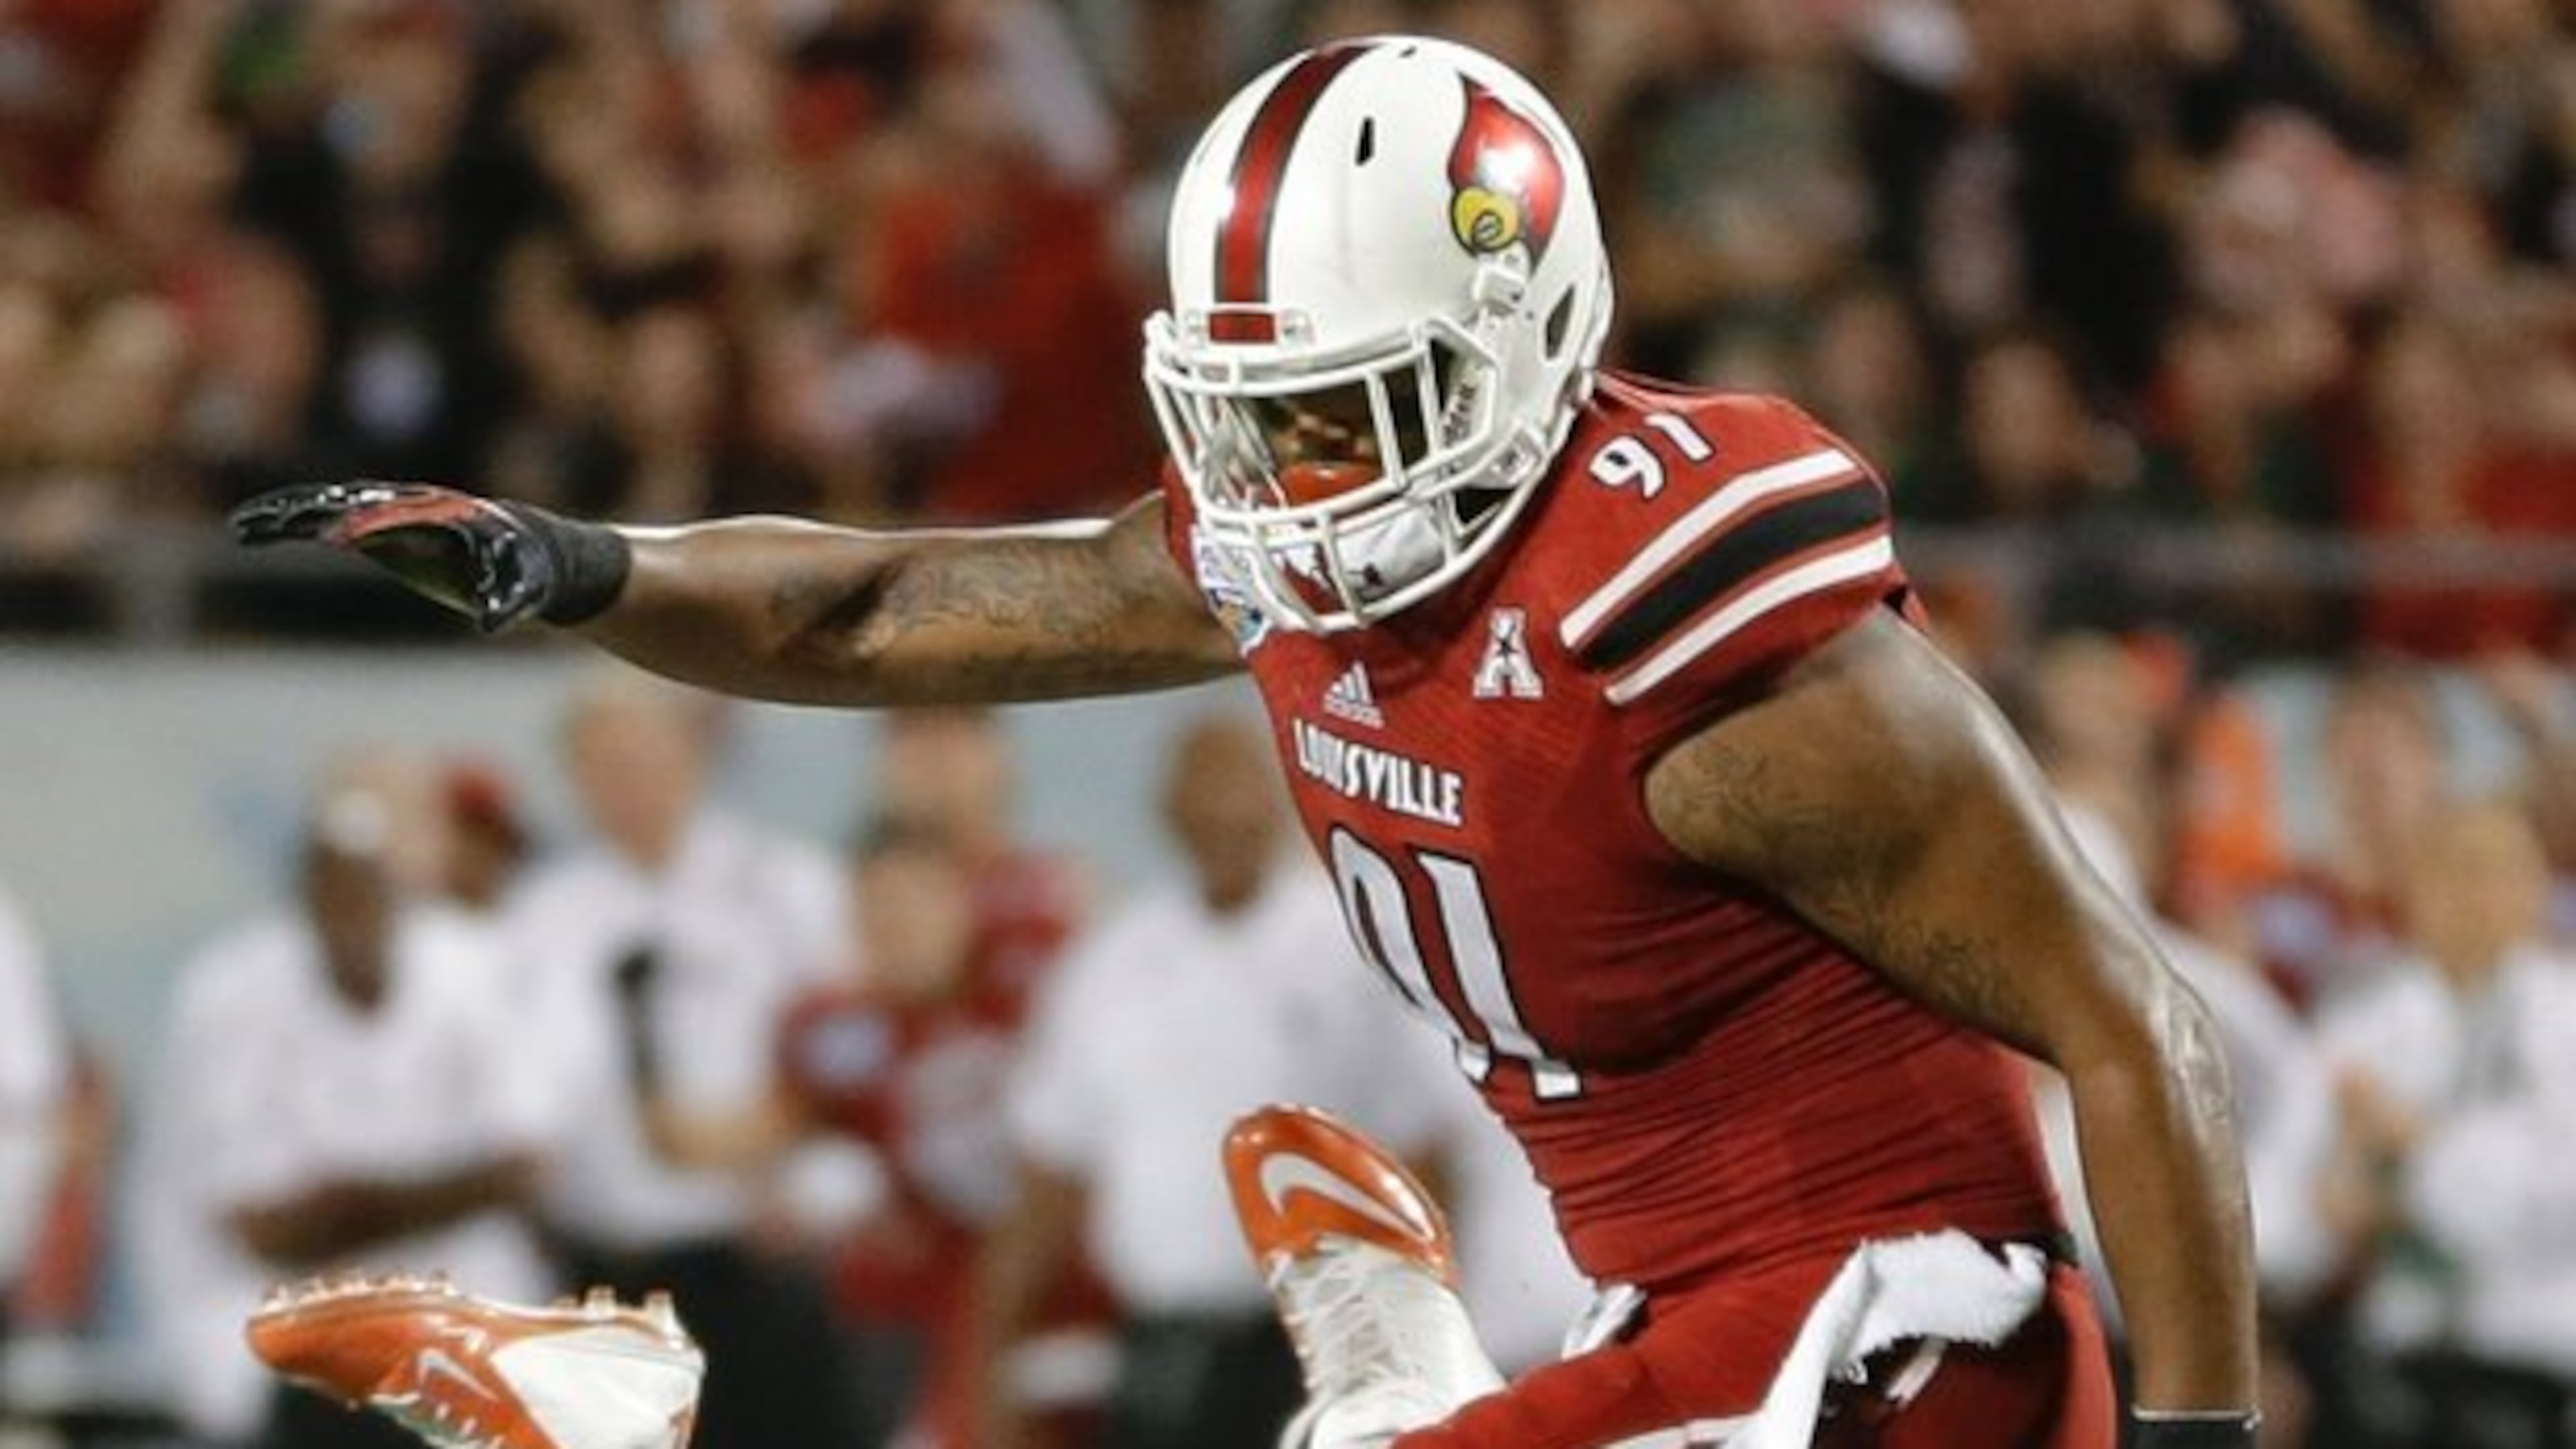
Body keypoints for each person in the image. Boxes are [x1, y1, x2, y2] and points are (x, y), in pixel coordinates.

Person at [232, 34, 2257, 1449]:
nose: (1269, 485)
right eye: (1237, 413)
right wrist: (578, 560)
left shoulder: (1702, 657)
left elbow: (2135, 1032)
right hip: (1673, 1322)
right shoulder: (1288, 552)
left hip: (1901, 1342)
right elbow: (878, 608)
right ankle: (1389, 1385)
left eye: (1333, 415)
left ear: (1517, 340)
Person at [977, 711, 1455, 1449]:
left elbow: (1423, 1157)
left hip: (1320, 1349)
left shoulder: (1351, 950)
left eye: (1240, 787)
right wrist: (990, 1354)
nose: (1223, 812)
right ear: (1168, 810)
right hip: (1161, 1342)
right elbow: (1050, 1177)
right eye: (1203, 790)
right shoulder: (1112, 964)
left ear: (1278, 796)